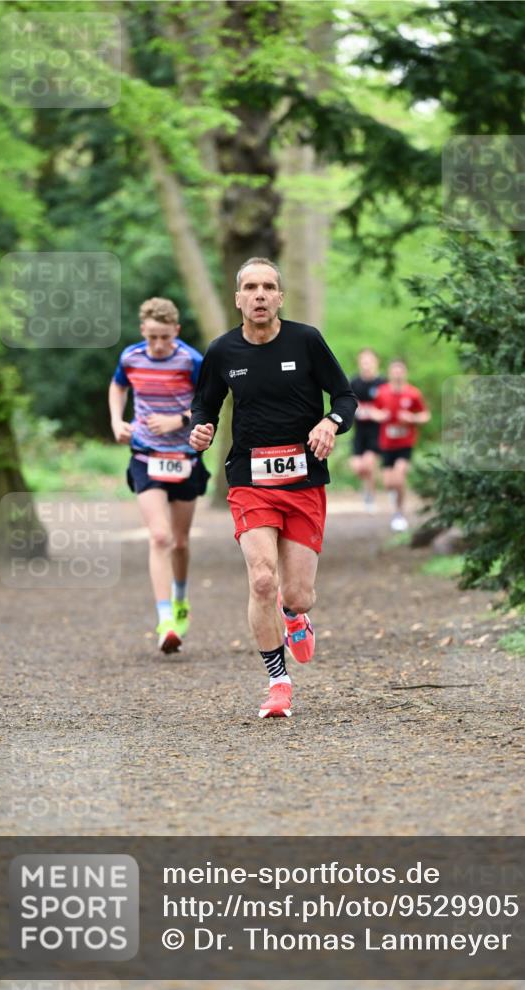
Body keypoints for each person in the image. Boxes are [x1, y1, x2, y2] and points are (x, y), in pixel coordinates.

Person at [189, 257, 357, 719]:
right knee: (262, 578)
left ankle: (295, 616)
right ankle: (278, 682)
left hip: (303, 480)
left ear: (280, 296)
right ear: (238, 298)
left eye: (268, 287)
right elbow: (203, 406)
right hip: (250, 480)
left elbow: (345, 396)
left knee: (296, 594)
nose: (259, 295)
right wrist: (200, 428)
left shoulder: (306, 341)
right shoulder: (222, 352)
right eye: (250, 287)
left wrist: (331, 422)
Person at [108, 297, 209, 653]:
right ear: (142, 332)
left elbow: (208, 399)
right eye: (152, 337)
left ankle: (181, 600)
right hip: (145, 454)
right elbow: (117, 386)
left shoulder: (191, 360)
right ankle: (165, 619)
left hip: (184, 456)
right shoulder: (131, 357)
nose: (158, 345)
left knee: (180, 542)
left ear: (176, 332)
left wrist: (179, 421)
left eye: (165, 337)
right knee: (160, 537)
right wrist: (117, 421)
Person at [373, 359, 430, 532]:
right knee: (389, 483)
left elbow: (425, 415)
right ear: (389, 373)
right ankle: (396, 497)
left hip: (405, 443)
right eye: (394, 371)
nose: (397, 374)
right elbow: (375, 411)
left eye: (400, 371)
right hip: (386, 444)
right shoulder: (382, 392)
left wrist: (412, 418)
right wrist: (380, 416)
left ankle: (399, 513)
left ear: (405, 373)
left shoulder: (413, 394)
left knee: (399, 477)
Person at [349, 348, 386, 512]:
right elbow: (348, 404)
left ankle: (371, 497)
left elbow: (389, 408)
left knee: (369, 464)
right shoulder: (354, 382)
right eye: (363, 361)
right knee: (358, 467)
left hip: (376, 432)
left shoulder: (383, 383)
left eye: (369, 361)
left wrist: (377, 414)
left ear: (376, 362)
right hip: (359, 432)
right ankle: (369, 487)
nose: (366, 365)